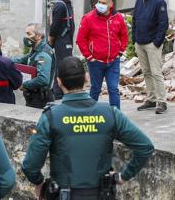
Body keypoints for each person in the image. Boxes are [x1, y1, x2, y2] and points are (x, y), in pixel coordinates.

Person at [22, 56, 154, 200]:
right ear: (87, 78)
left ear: (59, 82)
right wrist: (123, 176)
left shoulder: (50, 117)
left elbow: (30, 166)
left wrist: (39, 182)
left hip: (64, 194)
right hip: (102, 194)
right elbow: (145, 146)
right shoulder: (111, 113)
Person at [76, 0, 128, 109]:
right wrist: (89, 57)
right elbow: (80, 39)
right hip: (96, 62)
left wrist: (120, 51)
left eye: (104, 3)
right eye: (99, 2)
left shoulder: (118, 17)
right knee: (95, 89)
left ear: (111, 4)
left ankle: (116, 115)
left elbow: (124, 36)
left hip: (113, 62)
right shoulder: (88, 18)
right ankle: (89, 113)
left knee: (113, 89)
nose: (100, 5)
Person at [133, 0, 169, 114]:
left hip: (152, 44)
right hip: (140, 43)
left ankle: (162, 101)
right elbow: (135, 20)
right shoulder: (138, 1)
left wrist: (157, 42)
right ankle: (151, 99)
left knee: (156, 73)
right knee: (147, 73)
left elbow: (163, 23)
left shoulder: (159, 1)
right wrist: (134, 40)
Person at [12, 23, 56, 108]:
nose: (26, 37)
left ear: (39, 36)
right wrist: (3, 60)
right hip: (34, 97)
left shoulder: (43, 54)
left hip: (40, 100)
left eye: (29, 34)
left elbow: (43, 79)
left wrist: (24, 85)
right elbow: (21, 60)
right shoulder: (36, 51)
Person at [49, 0, 77, 100]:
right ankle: (58, 93)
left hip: (67, 40)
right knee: (62, 65)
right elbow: (54, 26)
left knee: (65, 65)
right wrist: (51, 40)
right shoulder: (60, 6)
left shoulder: (68, 4)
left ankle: (62, 90)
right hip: (61, 41)